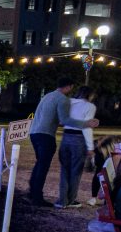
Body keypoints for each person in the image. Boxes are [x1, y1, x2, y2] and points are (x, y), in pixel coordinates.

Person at [28, 77, 98, 207]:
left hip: (34, 133)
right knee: (43, 167)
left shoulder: (48, 96)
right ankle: (37, 198)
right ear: (69, 86)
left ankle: (32, 193)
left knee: (39, 165)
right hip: (46, 135)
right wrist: (86, 123)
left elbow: (54, 118)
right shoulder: (63, 99)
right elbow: (65, 120)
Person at [56, 86, 97, 208]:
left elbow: (62, 120)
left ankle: (62, 201)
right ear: (90, 95)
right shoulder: (90, 106)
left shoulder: (69, 102)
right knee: (76, 171)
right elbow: (87, 127)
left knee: (65, 169)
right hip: (79, 140)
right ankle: (71, 200)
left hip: (66, 137)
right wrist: (90, 147)